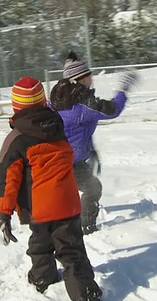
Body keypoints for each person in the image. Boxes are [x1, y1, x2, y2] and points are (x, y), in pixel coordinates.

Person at [0, 76, 102, 301]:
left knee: (40, 246)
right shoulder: (57, 126)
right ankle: (86, 297)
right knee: (72, 251)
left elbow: (7, 180)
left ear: (16, 106)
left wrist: (4, 212)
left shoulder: (16, 139)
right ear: (42, 100)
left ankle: (42, 280)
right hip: (67, 202)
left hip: (39, 208)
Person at [49, 51, 138, 235]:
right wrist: (124, 90)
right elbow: (112, 110)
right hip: (67, 162)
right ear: (81, 80)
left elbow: (80, 130)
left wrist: (91, 149)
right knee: (91, 189)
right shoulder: (82, 105)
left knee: (77, 192)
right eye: (89, 75)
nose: (93, 78)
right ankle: (85, 226)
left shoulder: (60, 98)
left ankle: (69, 222)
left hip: (64, 159)